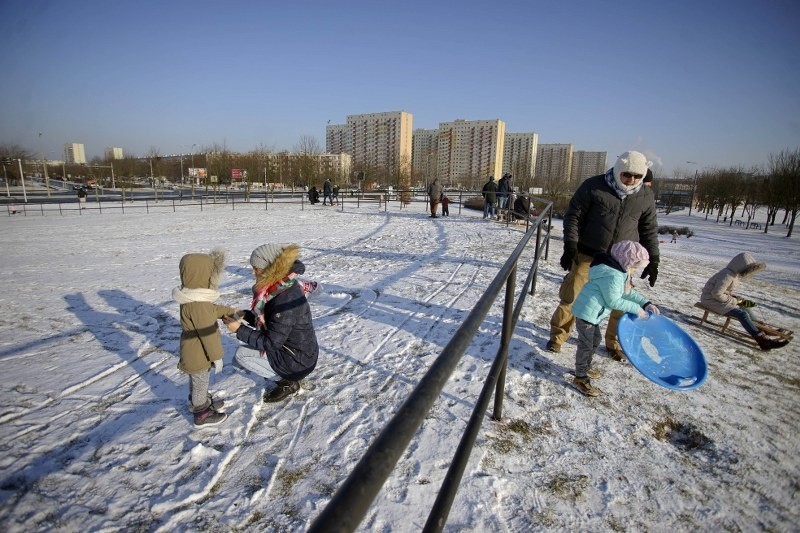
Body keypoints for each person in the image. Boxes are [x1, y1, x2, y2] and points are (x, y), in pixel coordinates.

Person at [548, 150, 660, 360]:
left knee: (621, 304)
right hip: (588, 255)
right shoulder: (593, 186)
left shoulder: (645, 196)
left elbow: (649, 230)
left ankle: (614, 342)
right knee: (572, 297)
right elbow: (573, 216)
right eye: (627, 174)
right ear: (618, 170)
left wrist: (653, 260)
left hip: (621, 263)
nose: (631, 180)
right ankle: (558, 336)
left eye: (637, 176)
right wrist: (570, 245)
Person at [226, 243, 319, 402]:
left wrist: (239, 330)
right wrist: (244, 315)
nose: (253, 271)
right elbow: (271, 322)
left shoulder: (284, 299)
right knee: (243, 355)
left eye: (256, 268)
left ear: (269, 268)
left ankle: (287, 382)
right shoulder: (281, 287)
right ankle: (284, 374)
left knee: (241, 356)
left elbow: (271, 342)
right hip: (300, 353)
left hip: (298, 362)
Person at [570, 241, 660, 396]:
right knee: (586, 345)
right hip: (587, 314)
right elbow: (614, 301)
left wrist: (646, 303)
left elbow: (627, 293)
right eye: (636, 265)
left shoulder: (620, 272)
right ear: (627, 260)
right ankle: (580, 377)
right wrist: (636, 309)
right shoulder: (613, 275)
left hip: (593, 315)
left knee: (595, 340)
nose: (637, 270)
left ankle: (585, 366)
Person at [172, 249, 237, 426]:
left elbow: (211, 311)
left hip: (193, 349)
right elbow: (207, 333)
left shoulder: (192, 298)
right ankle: (201, 413)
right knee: (200, 381)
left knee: (197, 380)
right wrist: (216, 356)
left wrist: (229, 311)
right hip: (199, 352)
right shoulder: (199, 303)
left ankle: (201, 403)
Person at [700, 252, 789, 351]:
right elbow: (716, 294)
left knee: (745, 305)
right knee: (742, 314)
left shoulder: (732, 274)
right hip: (710, 300)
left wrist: (736, 299)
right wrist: (733, 300)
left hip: (717, 300)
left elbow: (724, 292)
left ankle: (764, 329)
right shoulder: (727, 275)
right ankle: (762, 340)